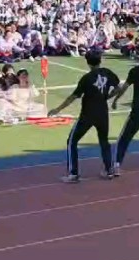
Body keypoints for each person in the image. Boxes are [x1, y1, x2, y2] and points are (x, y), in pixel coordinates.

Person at [48, 51, 120, 183]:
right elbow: (118, 87)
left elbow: (74, 96)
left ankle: (73, 173)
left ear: (87, 62)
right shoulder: (108, 73)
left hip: (88, 113)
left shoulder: (87, 78)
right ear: (100, 60)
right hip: (103, 113)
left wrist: (58, 109)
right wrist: (108, 97)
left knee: (72, 141)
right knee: (104, 140)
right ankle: (109, 169)